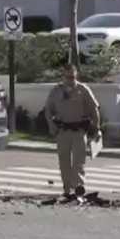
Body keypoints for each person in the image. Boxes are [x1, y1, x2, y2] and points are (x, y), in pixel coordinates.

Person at [44, 65, 101, 197]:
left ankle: (78, 187)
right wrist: (51, 125)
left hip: (79, 130)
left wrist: (97, 128)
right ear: (63, 77)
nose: (71, 80)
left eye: (73, 77)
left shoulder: (83, 89)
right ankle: (67, 188)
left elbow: (94, 109)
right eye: (68, 77)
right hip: (63, 130)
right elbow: (48, 109)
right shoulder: (56, 91)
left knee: (79, 161)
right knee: (64, 161)